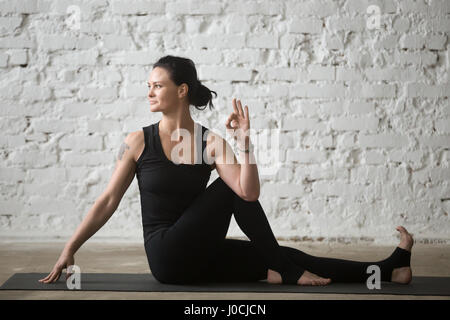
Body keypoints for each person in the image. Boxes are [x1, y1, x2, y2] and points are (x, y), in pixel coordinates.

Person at [39, 55, 414, 286]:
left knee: (286, 255)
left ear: (182, 90)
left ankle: (389, 269)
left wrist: (245, 140)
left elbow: (249, 194)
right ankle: (284, 271)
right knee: (232, 197)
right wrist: (70, 248)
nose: (150, 92)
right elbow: (107, 200)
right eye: (148, 86)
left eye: (158, 85)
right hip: (167, 256)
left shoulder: (212, 142)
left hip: (202, 251)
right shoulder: (138, 140)